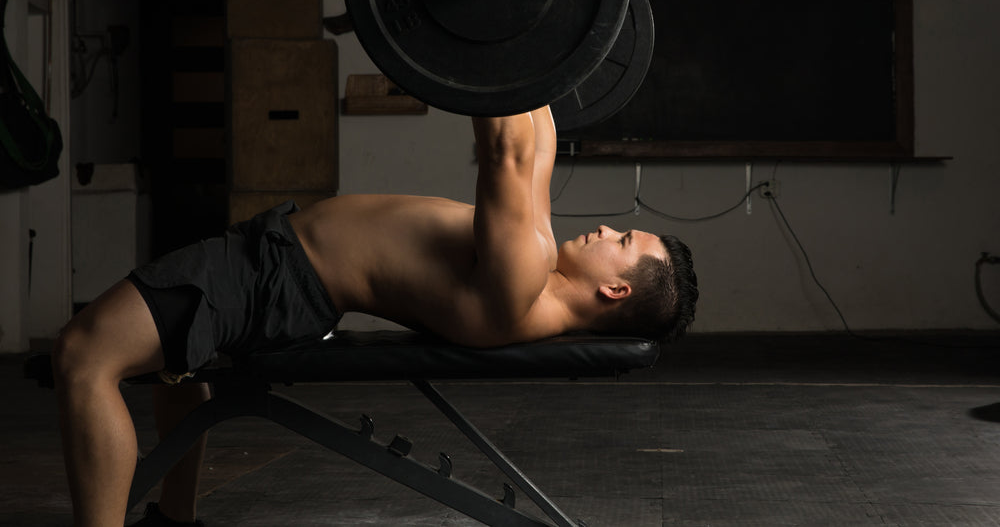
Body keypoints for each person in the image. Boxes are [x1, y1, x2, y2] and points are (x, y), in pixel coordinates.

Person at [52, 106, 698, 527]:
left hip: (270, 276)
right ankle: (177, 517)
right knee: (176, 364)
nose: (608, 228)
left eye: (624, 241)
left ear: (615, 291)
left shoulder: (521, 277)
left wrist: (479, 31)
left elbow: (508, 148)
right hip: (279, 269)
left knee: (85, 356)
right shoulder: (533, 279)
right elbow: (535, 137)